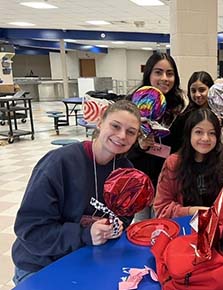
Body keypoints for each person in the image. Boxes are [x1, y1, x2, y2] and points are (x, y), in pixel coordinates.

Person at [12, 100, 142, 285]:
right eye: (115, 126)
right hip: (41, 264)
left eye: (131, 132)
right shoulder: (60, 163)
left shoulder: (126, 171)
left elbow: (125, 217)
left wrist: (116, 226)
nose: (122, 136)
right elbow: (31, 230)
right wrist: (84, 234)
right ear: (99, 122)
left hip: (86, 257)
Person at [154, 108, 223, 218]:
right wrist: (191, 211)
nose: (205, 138)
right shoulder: (173, 163)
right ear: (189, 134)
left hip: (220, 225)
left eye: (212, 133)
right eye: (199, 132)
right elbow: (162, 208)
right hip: (184, 228)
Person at [127, 52, 186, 188]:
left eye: (170, 74)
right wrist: (140, 146)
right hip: (137, 178)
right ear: (149, 74)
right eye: (158, 72)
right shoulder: (132, 104)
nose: (165, 78)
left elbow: (182, 147)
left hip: (169, 181)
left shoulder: (181, 107)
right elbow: (121, 148)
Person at [167, 71, 214, 154]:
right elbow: (172, 142)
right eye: (193, 90)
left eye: (202, 90)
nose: (197, 95)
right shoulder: (184, 117)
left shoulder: (219, 113)